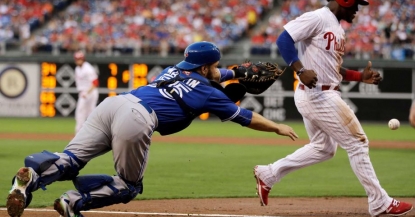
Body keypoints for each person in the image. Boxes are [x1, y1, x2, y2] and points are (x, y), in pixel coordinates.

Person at [6, 41, 299, 217]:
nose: (218, 69)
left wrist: (234, 72)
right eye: (216, 65)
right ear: (206, 66)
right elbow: (245, 116)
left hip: (113, 105)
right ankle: (71, 201)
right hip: (137, 118)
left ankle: (29, 179)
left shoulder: (174, 69)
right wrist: (277, 128)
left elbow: (214, 73)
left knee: (70, 160)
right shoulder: (210, 92)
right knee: (129, 186)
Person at [253, 0, 414, 216]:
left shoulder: (337, 28)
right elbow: (284, 39)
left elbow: (333, 69)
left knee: (324, 148)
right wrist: (299, 69)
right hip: (318, 94)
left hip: (321, 92)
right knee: (358, 143)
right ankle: (379, 201)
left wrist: (360, 77)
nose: (357, 9)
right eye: (356, 3)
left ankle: (268, 174)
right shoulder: (318, 17)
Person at [73, 51, 99, 133]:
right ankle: (81, 133)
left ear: (83, 59)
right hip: (83, 92)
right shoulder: (77, 69)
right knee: (81, 113)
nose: (78, 61)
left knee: (87, 113)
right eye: (77, 59)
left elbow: (95, 82)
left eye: (80, 59)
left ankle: (91, 133)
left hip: (90, 92)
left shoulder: (88, 68)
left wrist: (87, 93)